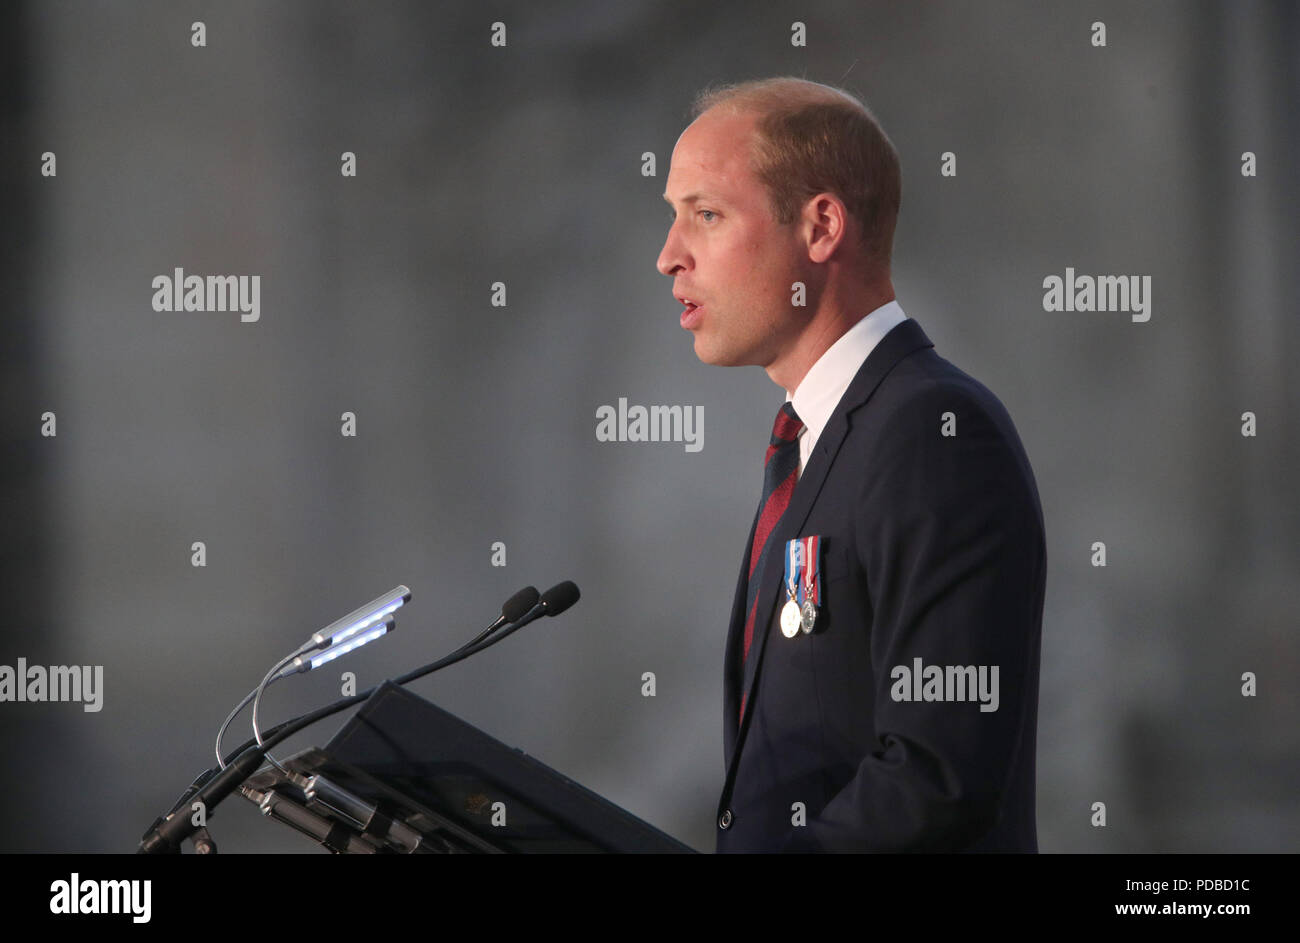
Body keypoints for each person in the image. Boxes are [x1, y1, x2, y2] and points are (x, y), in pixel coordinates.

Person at [656, 77, 1047, 853]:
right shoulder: (818, 439)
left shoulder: (934, 433)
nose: (669, 257)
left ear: (822, 226)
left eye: (705, 215)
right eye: (674, 218)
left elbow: (936, 775)